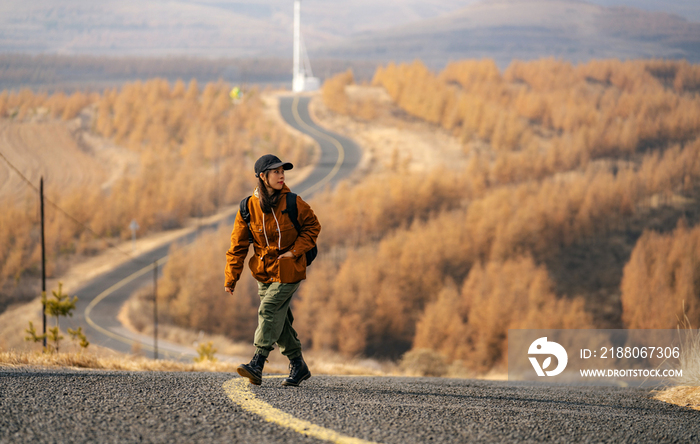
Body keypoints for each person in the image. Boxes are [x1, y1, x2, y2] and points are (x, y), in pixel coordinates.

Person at [225, 154, 321, 386]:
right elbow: (238, 246)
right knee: (280, 320)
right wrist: (231, 277)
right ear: (262, 176)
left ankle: (257, 362)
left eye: (282, 171)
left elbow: (313, 226)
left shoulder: (293, 202)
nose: (281, 176)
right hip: (263, 272)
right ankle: (298, 366)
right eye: (276, 172)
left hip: (290, 268)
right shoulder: (247, 207)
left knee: (268, 310)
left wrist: (293, 252)